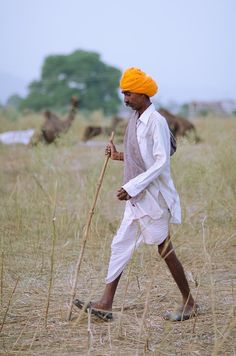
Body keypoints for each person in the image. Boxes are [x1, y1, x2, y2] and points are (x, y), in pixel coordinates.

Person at [74, 67, 197, 322]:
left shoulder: (156, 122)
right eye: (124, 93)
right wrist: (118, 155)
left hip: (152, 197)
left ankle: (190, 303)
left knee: (164, 248)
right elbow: (140, 157)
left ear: (143, 93)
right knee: (120, 244)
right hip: (137, 197)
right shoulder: (135, 120)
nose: (125, 98)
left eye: (129, 93)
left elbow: (160, 162)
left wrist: (131, 187)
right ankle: (106, 303)